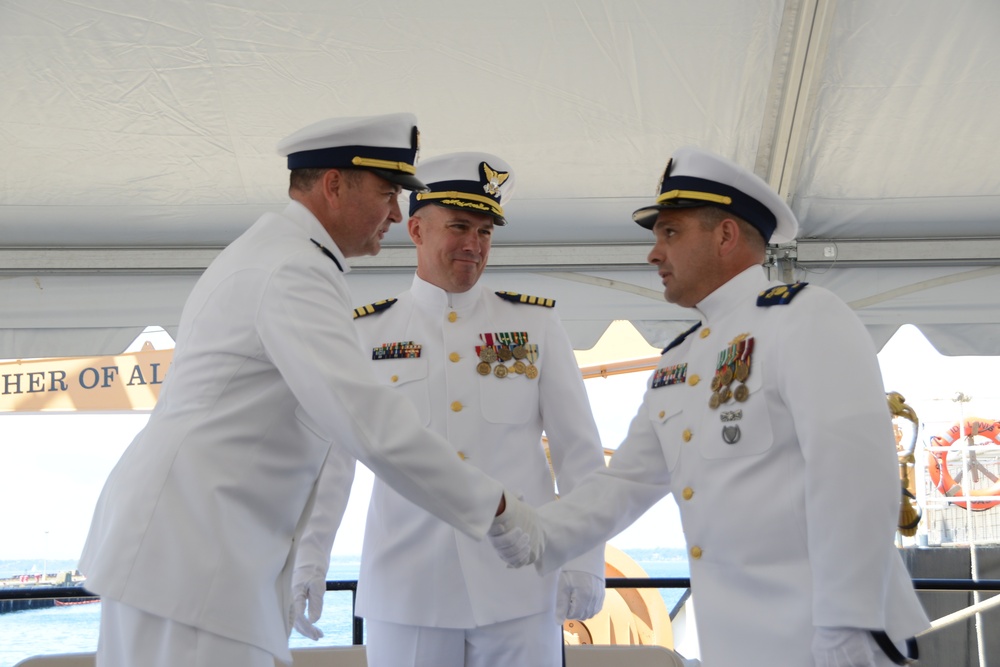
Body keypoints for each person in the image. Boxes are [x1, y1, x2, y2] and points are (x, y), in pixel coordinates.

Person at [77, 114, 539, 667]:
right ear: (335, 185)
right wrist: (498, 507)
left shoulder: (279, 253)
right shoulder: (293, 269)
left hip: (195, 556)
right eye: (388, 192)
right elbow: (365, 423)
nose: (397, 212)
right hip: (197, 560)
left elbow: (324, 434)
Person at [489, 146, 931, 667]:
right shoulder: (680, 359)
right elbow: (623, 485)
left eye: (670, 233)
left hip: (824, 637)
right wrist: (532, 529)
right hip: (734, 643)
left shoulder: (805, 318)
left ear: (725, 235)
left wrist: (849, 622)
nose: (654, 253)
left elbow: (855, 475)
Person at [291, 152, 607, 667]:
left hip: (520, 587)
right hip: (409, 588)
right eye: (459, 226)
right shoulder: (367, 333)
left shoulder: (535, 327)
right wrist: (309, 556)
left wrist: (586, 559)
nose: (473, 244)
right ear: (415, 229)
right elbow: (333, 460)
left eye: (485, 232)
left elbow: (580, 455)